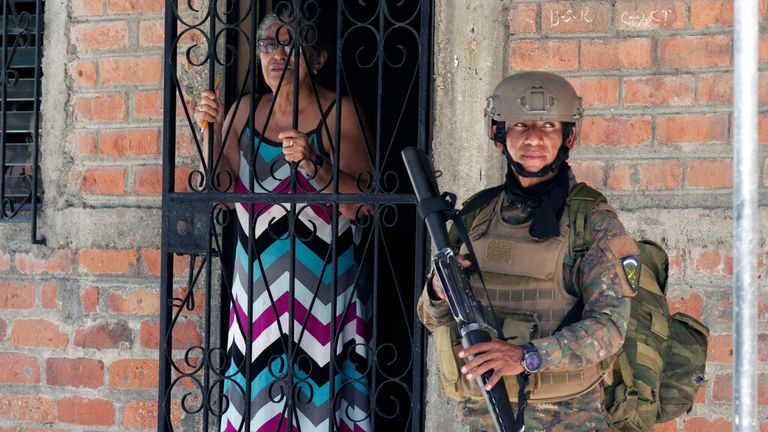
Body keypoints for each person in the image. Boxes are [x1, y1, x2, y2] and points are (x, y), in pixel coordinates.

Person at [417, 71, 639, 431]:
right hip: (482, 415)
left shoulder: (592, 222)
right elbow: (431, 318)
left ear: (569, 136)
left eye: (548, 125)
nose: (533, 138)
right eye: (519, 125)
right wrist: (437, 293)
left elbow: (610, 329)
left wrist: (527, 357)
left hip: (568, 417)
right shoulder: (475, 215)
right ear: (498, 135)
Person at [193, 11, 373, 432]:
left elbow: (363, 205)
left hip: (324, 292)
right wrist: (212, 130)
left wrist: (314, 164)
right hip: (255, 293)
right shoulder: (242, 113)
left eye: (290, 43)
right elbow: (219, 192)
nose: (277, 53)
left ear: (318, 58)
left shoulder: (340, 112)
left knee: (323, 404)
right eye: (268, 45)